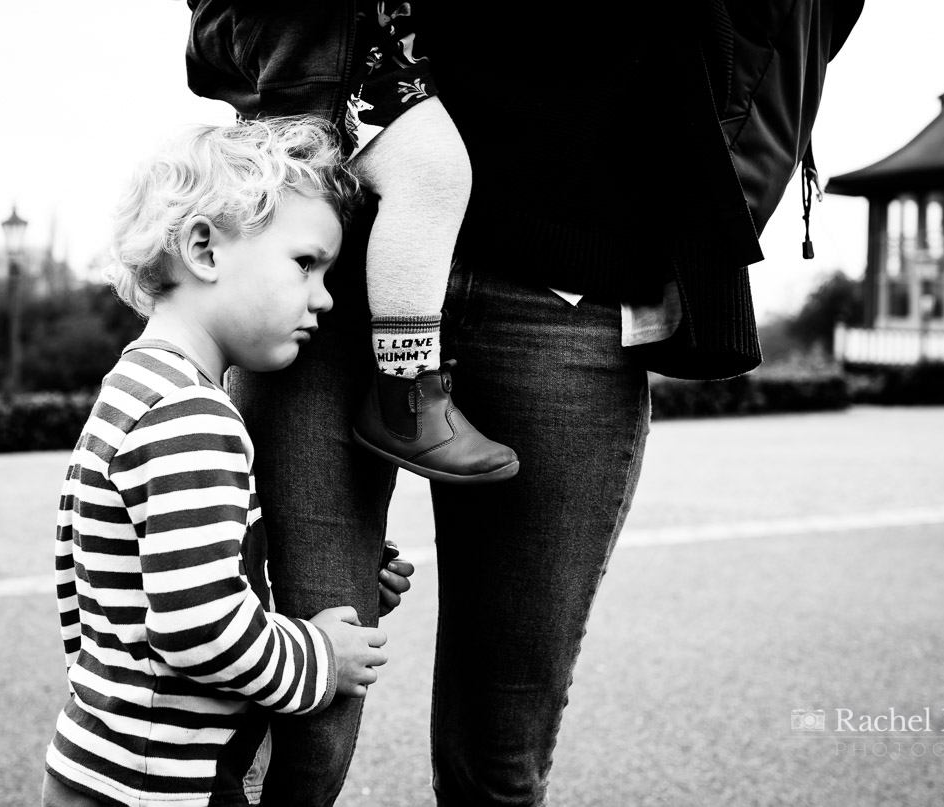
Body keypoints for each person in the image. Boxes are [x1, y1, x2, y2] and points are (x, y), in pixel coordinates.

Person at [183, 1, 866, 804]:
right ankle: (410, 385)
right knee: (297, 725)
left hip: (577, 281)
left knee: (500, 756)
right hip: (336, 251)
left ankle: (408, 389)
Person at [40, 118, 413, 807]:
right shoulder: (192, 413)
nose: (326, 297)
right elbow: (198, 626)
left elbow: (112, 574)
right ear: (205, 249)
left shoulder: (136, 387)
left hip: (106, 762)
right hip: (165, 783)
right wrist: (320, 657)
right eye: (306, 263)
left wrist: (356, 573)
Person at [189, 2, 518, 485]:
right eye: (304, 267)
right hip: (321, 42)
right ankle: (406, 392)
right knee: (431, 170)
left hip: (338, 39)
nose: (319, 298)